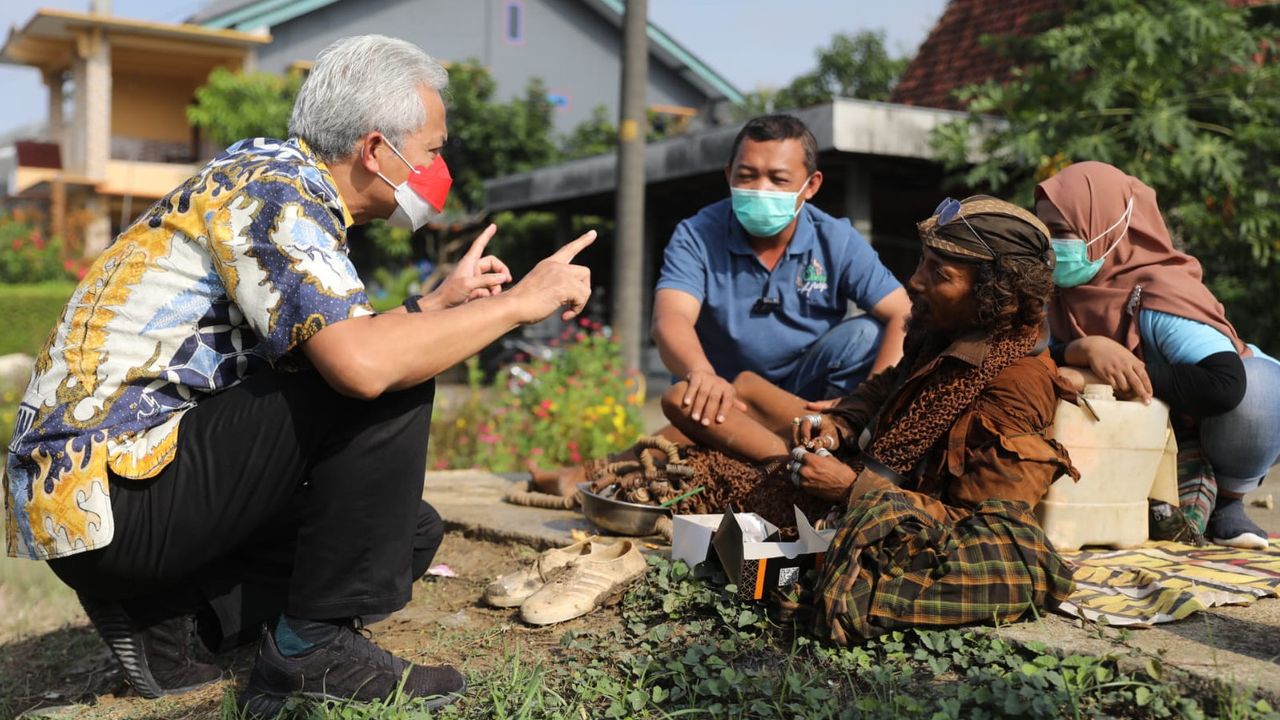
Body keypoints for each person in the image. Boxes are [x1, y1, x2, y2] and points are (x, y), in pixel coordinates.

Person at [3, 35, 595, 714]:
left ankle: (170, 613)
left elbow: (330, 344)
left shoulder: (266, 179)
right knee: (384, 378)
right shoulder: (278, 195)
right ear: (376, 151)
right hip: (116, 493)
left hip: (103, 505)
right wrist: (523, 304)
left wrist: (430, 308)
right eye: (433, 149)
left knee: (406, 535)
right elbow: (362, 364)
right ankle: (313, 649)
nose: (440, 167)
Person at [648, 196, 1077, 642]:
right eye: (923, 263)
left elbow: (985, 531)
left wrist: (850, 489)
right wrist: (839, 425)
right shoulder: (940, 336)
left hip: (895, 525)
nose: (916, 280)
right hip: (864, 484)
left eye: (939, 273)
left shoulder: (1018, 386)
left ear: (994, 293)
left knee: (757, 533)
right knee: (713, 399)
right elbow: (884, 386)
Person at [1036, 161, 1279, 550]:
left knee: (1259, 393)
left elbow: (1223, 385)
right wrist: (1084, 350)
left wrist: (1108, 376)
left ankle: (1229, 504)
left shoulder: (1158, 293)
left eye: (1062, 231)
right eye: (1043, 230)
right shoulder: (1050, 295)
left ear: (1110, 228)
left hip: (1203, 416)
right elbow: (1028, 359)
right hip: (1137, 426)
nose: (1050, 245)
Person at [652, 113, 911, 428]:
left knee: (868, 334)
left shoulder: (836, 239)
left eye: (778, 179)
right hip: (723, 395)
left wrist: (868, 399)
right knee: (683, 396)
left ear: (811, 185)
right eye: (747, 175)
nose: (761, 189)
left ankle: (836, 428)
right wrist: (701, 372)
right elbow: (671, 318)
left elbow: (904, 313)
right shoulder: (696, 235)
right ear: (728, 175)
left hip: (805, 392)